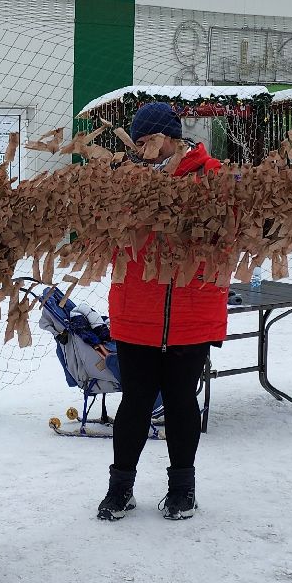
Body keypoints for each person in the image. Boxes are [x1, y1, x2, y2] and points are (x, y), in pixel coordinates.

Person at [97, 103, 227, 523]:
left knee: (181, 402)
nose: (143, 148)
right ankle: (120, 489)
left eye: (150, 139)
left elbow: (232, 230)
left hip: (191, 312)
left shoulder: (211, 176)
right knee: (134, 402)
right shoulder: (124, 182)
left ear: (172, 137)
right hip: (136, 311)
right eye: (137, 142)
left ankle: (182, 489)